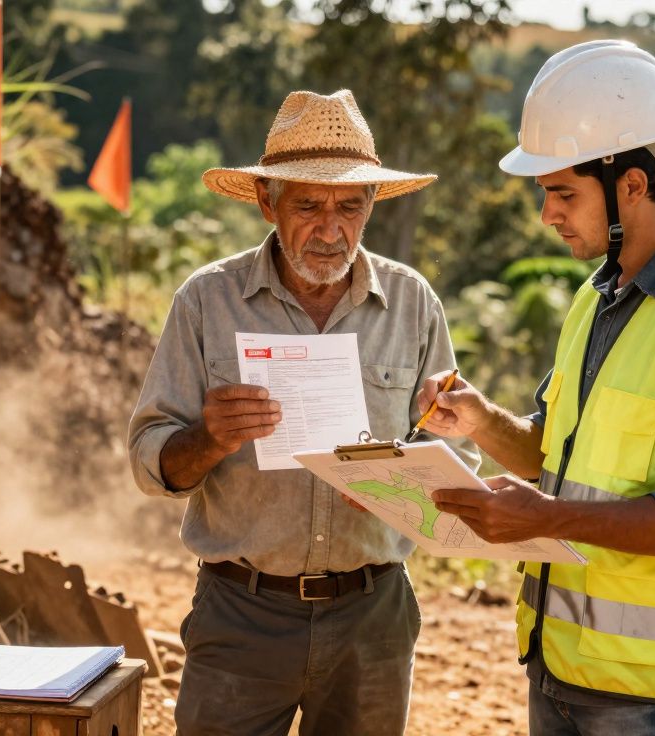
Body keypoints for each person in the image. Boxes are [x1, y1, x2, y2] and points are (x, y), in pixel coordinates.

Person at [420, 40, 655, 735]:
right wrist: (480, 422)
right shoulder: (599, 299)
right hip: (566, 668)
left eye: (562, 192)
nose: (546, 215)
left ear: (631, 184)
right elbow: (555, 460)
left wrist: (547, 518)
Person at [128, 89, 477, 736]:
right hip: (240, 612)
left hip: (374, 616)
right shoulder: (207, 302)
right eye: (309, 205)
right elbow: (151, 463)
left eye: (350, 206)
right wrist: (209, 437)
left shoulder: (412, 304)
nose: (330, 228)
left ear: (372, 206)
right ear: (267, 202)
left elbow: (459, 455)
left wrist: (399, 486)